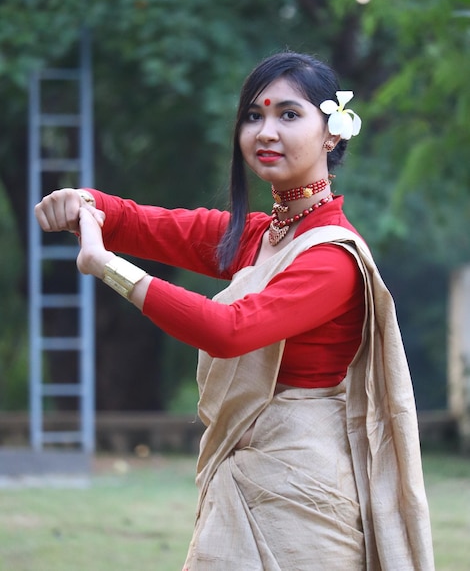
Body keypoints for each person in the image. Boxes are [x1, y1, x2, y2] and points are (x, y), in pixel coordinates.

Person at [35, 51, 434, 570]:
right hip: (250, 479)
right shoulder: (259, 238)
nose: (266, 131)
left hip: (304, 499)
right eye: (254, 115)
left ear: (332, 134)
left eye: (289, 114)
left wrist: (108, 267)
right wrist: (85, 202)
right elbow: (152, 225)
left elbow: (229, 331)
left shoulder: (332, 258)